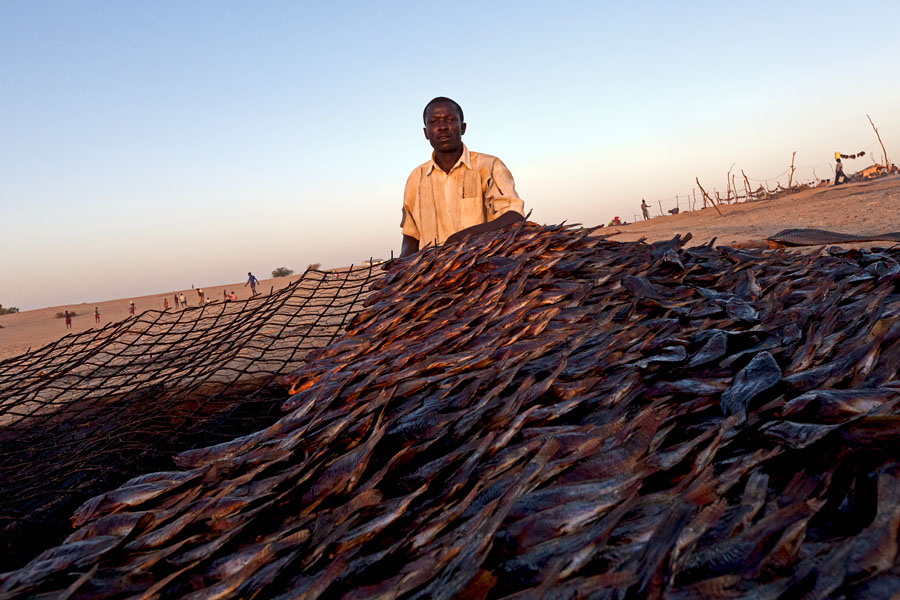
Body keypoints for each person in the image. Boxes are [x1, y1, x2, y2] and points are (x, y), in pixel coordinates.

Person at [400, 97, 525, 257]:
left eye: (450, 119)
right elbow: (411, 236)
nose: (443, 127)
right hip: (435, 275)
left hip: (485, 267)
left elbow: (514, 216)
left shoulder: (489, 166)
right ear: (426, 133)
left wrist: (463, 237)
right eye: (434, 122)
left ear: (463, 127)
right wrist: (400, 271)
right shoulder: (416, 177)